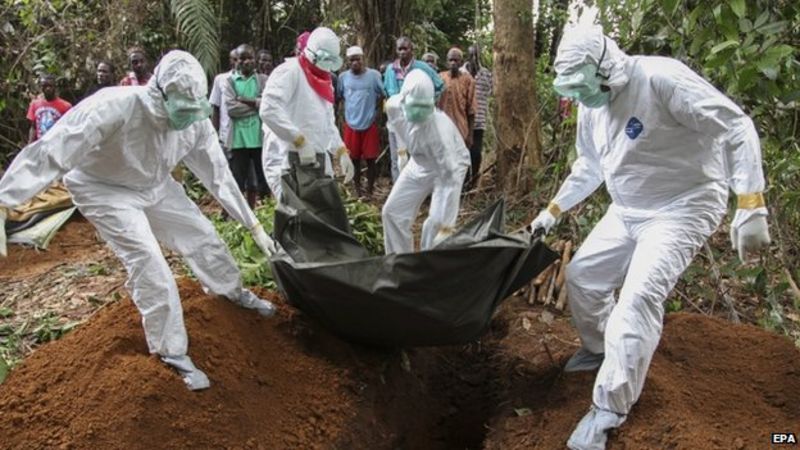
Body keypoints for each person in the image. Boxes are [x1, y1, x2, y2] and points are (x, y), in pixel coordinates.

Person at [528, 27, 771, 449]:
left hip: (683, 204)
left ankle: (608, 410)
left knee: (637, 298)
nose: (582, 96)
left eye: (584, 85)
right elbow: (589, 166)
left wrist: (750, 201)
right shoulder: (592, 106)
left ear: (605, 68)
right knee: (583, 275)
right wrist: (552, 211)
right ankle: (601, 347)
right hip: (627, 207)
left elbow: (735, 126)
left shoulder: (661, 79)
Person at [0, 50, 278, 391]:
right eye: (181, 109)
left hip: (155, 184)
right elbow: (52, 150)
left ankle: (231, 292)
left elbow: (218, 175)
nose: (186, 118)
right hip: (103, 189)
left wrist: (254, 225)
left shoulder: (194, 121)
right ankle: (170, 353)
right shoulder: (114, 107)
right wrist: (5, 201)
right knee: (149, 261)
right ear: (159, 93)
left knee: (203, 236)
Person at [259, 27, 354, 201]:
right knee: (294, 213)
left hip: (316, 158)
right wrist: (299, 140)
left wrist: (341, 151)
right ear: (311, 52)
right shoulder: (289, 71)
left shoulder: (325, 80)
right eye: (323, 58)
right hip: (287, 157)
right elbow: (268, 109)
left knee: (321, 212)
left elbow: (327, 122)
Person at [382, 69, 470, 254]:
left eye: (424, 108)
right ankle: (400, 263)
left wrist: (447, 225)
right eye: (414, 106)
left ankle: (428, 270)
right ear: (403, 99)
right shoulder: (393, 106)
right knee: (392, 212)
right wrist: (401, 152)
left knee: (434, 227)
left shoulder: (440, 132)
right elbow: (397, 126)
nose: (418, 113)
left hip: (447, 167)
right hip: (418, 162)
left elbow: (450, 179)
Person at [383, 37, 445, 182]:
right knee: (397, 157)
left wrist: (428, 102)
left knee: (418, 158)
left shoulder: (422, 68)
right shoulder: (390, 70)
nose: (403, 52)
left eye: (406, 48)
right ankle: (398, 191)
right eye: (400, 49)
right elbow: (387, 92)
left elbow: (440, 86)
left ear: (412, 50)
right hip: (397, 123)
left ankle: (419, 192)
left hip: (417, 121)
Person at [224, 44, 270, 208]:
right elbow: (231, 109)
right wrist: (256, 105)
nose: (246, 62)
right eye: (242, 58)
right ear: (237, 61)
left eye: (250, 58)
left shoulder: (263, 80)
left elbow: (268, 105)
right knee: (238, 182)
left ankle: (267, 212)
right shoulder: (230, 82)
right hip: (238, 141)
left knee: (264, 180)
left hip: (259, 139)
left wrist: (244, 100)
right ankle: (237, 215)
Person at [337, 45, 384, 198]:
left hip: (369, 124)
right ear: (348, 61)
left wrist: (376, 112)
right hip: (351, 124)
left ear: (363, 59)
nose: (355, 62)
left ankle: (369, 190)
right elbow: (339, 97)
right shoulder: (343, 78)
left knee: (371, 159)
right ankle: (357, 190)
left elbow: (382, 94)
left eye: (358, 59)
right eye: (352, 60)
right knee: (354, 159)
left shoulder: (374, 75)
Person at [461, 44, 492, 187]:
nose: (474, 58)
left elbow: (491, 92)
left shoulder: (486, 74)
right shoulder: (461, 73)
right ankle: (463, 182)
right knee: (462, 153)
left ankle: (472, 181)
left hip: (479, 121)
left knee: (476, 153)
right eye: (471, 55)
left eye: (476, 55)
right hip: (462, 122)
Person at [437, 47, 476, 150]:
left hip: (461, 129)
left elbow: (472, 109)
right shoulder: (439, 78)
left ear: (461, 62)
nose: (453, 63)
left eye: (456, 60)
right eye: (451, 60)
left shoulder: (468, 80)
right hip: (442, 129)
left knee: (460, 162)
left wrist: (470, 135)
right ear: (447, 62)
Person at [210, 48, 239, 162]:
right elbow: (216, 107)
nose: (238, 62)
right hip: (225, 137)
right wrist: (214, 135)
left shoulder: (254, 80)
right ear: (230, 61)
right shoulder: (221, 79)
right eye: (234, 59)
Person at [27, 74, 72, 143]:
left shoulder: (66, 106)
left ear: (55, 87)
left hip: (57, 144)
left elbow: (69, 128)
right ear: (42, 88)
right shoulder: (35, 104)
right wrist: (29, 145)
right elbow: (33, 127)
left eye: (50, 86)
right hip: (40, 145)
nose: (48, 88)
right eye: (45, 86)